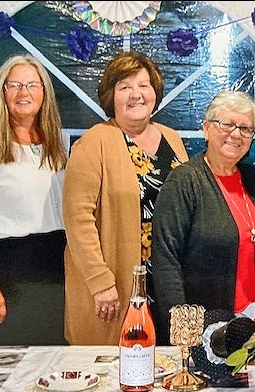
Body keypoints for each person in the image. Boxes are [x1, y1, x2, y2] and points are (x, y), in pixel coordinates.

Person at [63, 51, 188, 345]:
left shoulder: (173, 138)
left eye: (144, 85)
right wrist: (100, 282)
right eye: (125, 87)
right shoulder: (94, 142)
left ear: (155, 92)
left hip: (168, 282)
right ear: (111, 96)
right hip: (115, 285)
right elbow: (77, 218)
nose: (136, 95)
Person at [0, 55, 69, 345]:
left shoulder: (55, 141)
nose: (24, 92)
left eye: (32, 84)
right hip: (4, 267)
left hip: (52, 266)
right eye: (14, 84)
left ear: (44, 92)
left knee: (50, 357)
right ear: (1, 91)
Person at [152, 90, 255, 345]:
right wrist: (183, 334)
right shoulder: (185, 181)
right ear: (206, 128)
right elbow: (166, 260)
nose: (236, 134)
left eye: (245, 128)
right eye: (227, 124)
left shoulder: (253, 179)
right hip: (214, 331)